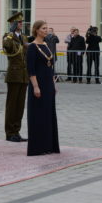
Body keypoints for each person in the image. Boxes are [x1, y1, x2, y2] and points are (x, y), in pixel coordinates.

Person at [27, 20, 60, 156]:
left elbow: (50, 67)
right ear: (36, 30)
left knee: (48, 114)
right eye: (43, 28)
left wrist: (53, 84)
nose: (46, 31)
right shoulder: (32, 47)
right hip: (38, 84)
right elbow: (31, 69)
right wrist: (35, 86)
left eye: (47, 28)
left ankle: (49, 145)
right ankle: (38, 147)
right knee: (38, 115)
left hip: (48, 84)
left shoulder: (46, 44)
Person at [3, 12, 29, 142]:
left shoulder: (24, 37)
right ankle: (9, 132)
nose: (21, 24)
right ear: (13, 24)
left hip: (24, 75)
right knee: (12, 105)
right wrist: (10, 34)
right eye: (18, 22)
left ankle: (17, 131)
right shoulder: (8, 36)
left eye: (21, 22)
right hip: (14, 74)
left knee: (20, 105)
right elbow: (7, 47)